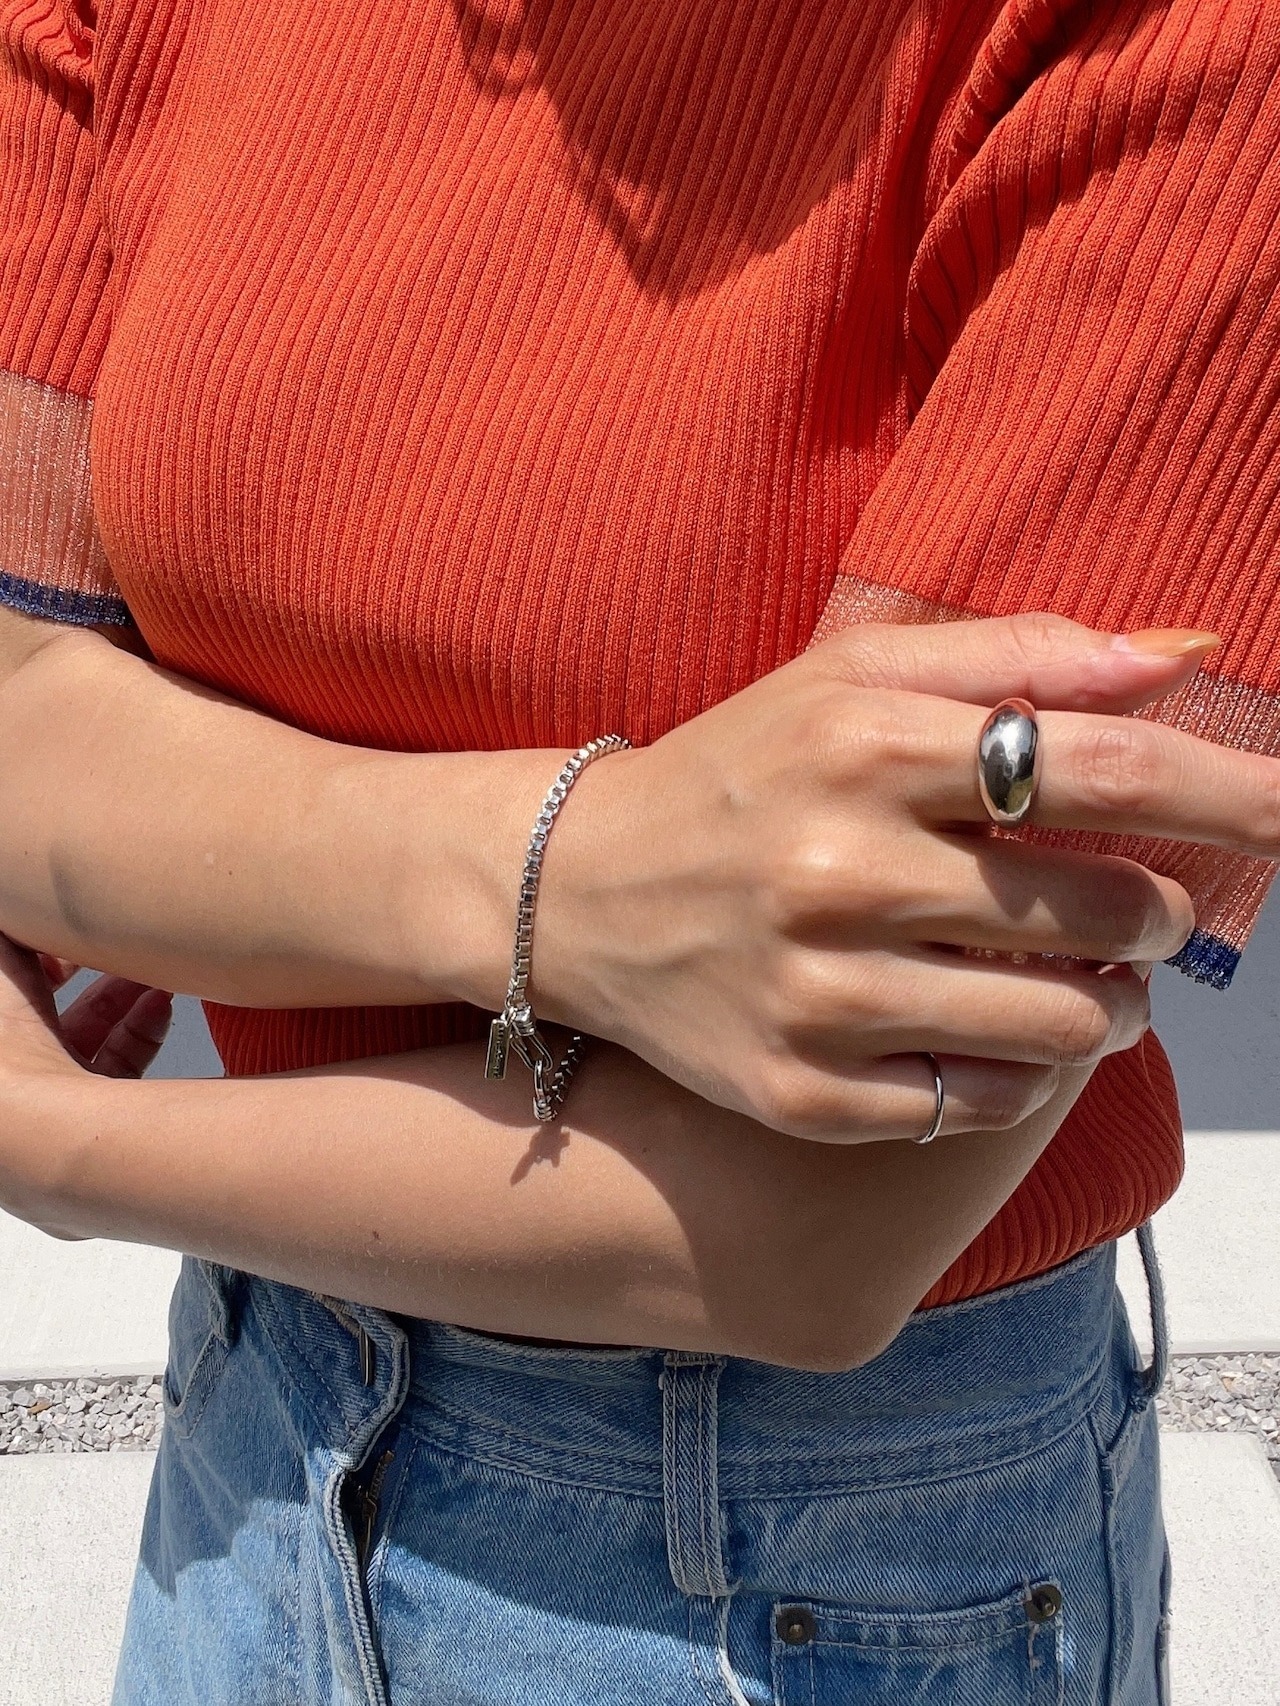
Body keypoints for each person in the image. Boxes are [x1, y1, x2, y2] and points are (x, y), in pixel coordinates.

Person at [1, 0, 1279, 1700]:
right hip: (252, 1427)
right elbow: (19, 704)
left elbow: (816, 1220)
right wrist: (581, 877)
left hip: (806, 1548)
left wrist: (59, 1137)